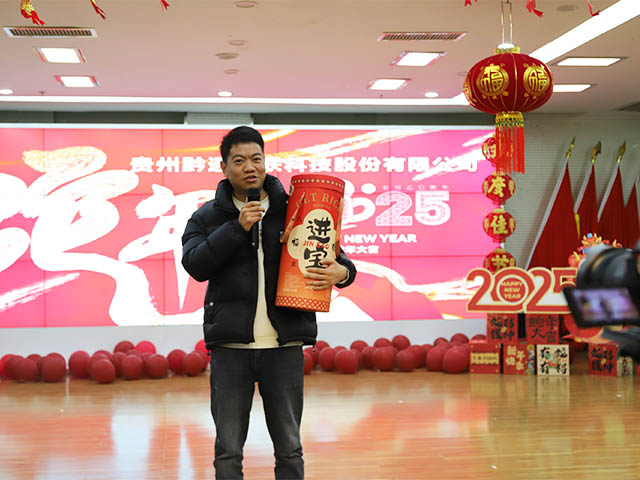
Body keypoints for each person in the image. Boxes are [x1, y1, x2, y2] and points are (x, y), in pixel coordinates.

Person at [181, 126, 356, 479]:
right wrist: (236, 228)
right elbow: (195, 265)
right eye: (239, 160)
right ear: (224, 167)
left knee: (289, 448)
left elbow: (340, 261)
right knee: (228, 451)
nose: (250, 167)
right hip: (230, 348)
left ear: (265, 162)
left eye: (256, 158)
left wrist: (343, 273)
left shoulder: (295, 209)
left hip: (284, 346)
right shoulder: (207, 217)